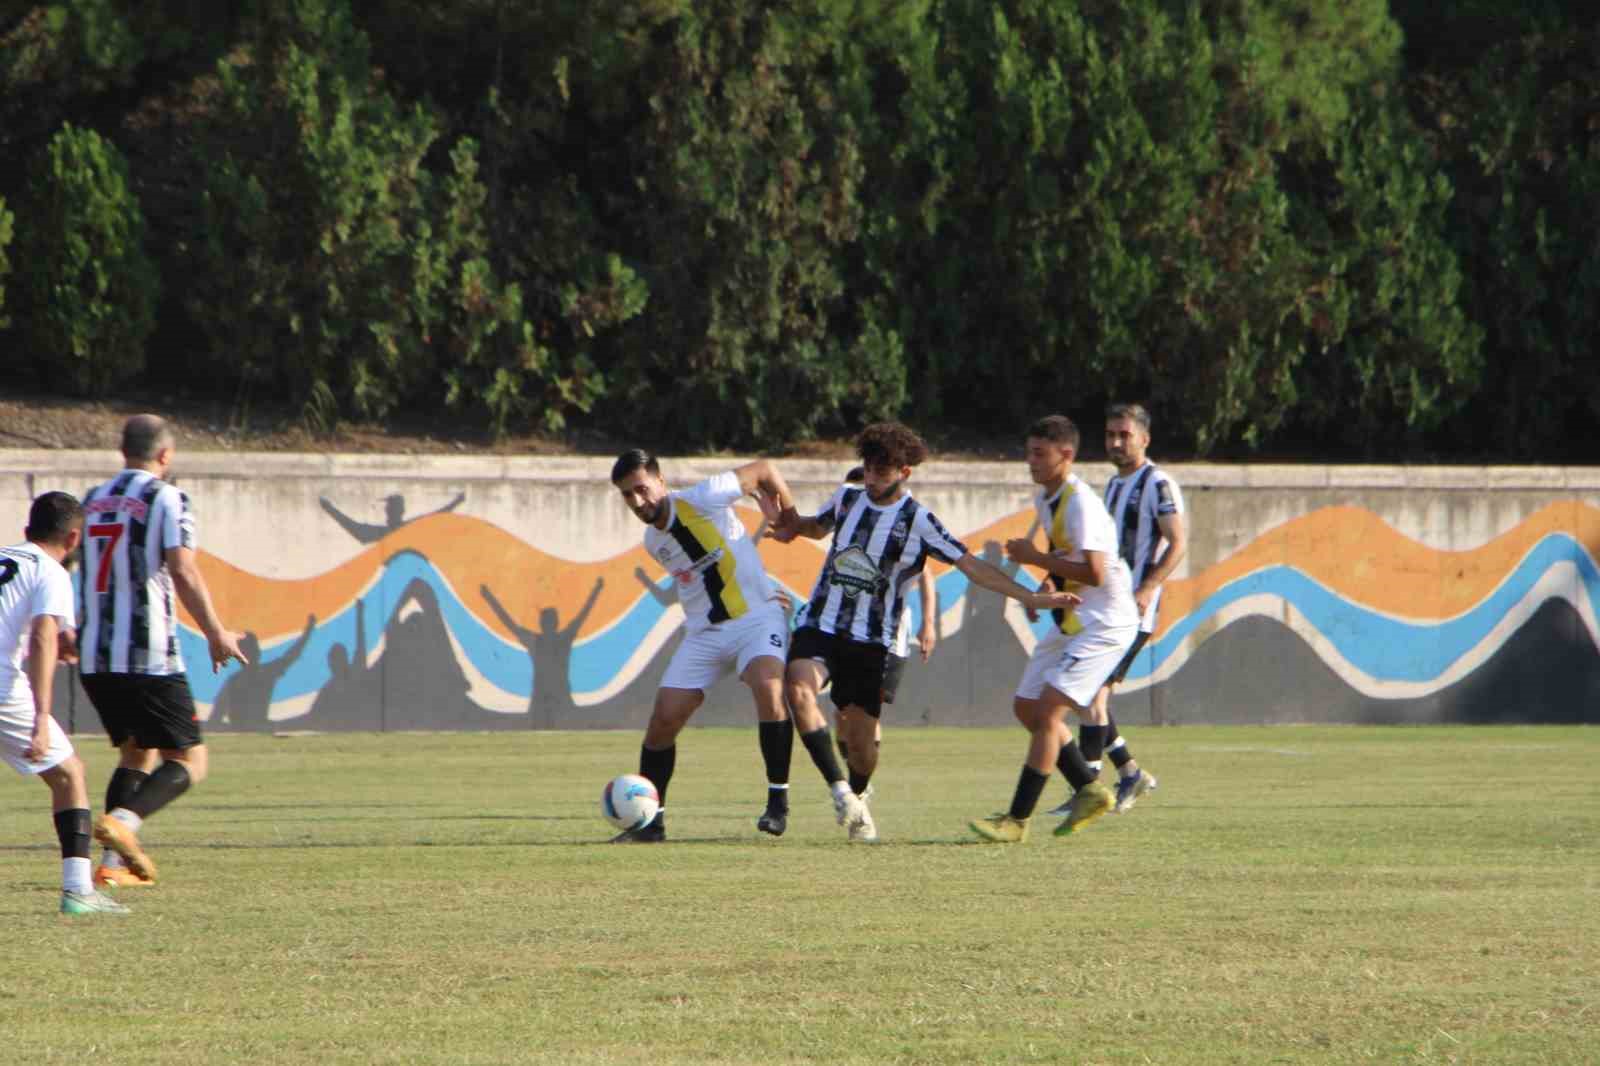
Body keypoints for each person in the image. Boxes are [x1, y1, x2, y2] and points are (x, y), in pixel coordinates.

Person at [771, 422, 1079, 842]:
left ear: (904, 472)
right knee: (798, 687)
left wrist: (1032, 597)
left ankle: (858, 794)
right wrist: (793, 526)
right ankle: (839, 790)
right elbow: (816, 526)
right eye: (869, 466)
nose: (874, 476)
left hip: (873, 642)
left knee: (862, 748)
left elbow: (972, 566)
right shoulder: (847, 499)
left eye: (883, 469)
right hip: (822, 623)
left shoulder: (919, 521)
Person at [79, 414, 247, 886]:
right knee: (190, 760)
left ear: (123, 450)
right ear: (166, 455)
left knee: (136, 753)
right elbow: (184, 570)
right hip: (148, 654)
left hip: (97, 655)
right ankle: (122, 824)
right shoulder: (167, 498)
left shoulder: (91, 501)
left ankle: (111, 870)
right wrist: (215, 631)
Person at [609, 450, 803, 842]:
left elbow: (764, 469)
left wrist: (791, 517)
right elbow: (709, 575)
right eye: (628, 495)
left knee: (769, 687)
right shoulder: (653, 542)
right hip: (706, 634)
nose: (638, 501)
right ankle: (650, 824)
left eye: (642, 489)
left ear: (661, 482)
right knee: (663, 719)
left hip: (756, 620)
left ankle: (777, 803)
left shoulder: (702, 497)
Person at [970, 414, 1139, 843]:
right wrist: (1044, 588)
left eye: (1039, 453)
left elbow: (1097, 573)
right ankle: (1089, 789)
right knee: (1027, 708)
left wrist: (1035, 559)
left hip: (1104, 623)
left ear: (1067, 454)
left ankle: (1016, 820)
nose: (1031, 461)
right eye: (1028, 452)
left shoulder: (1081, 501)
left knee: (1047, 712)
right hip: (1072, 616)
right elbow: (1070, 557)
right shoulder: (1049, 499)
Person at [1047, 402, 1185, 816]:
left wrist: (1148, 587)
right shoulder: (1112, 486)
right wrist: (1055, 578)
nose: (1116, 442)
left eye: (1124, 435)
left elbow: (1177, 542)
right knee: (1092, 697)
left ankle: (1087, 788)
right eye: (1110, 435)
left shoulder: (1158, 483)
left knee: (1092, 695)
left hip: (1133, 610)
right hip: (1105, 607)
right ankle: (1127, 774)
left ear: (1145, 438)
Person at [1, 492, 128, 915]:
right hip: (3, 686)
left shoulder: (7, 558)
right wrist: (40, 717)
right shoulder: (51, 572)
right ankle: (78, 891)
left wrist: (65, 635)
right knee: (69, 773)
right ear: (74, 538)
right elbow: (41, 637)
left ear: (27, 530)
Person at [814, 468, 937, 772]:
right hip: (842, 631)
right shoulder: (847, 532)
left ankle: (859, 787)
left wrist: (929, 622)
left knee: (868, 712)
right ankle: (853, 775)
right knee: (841, 713)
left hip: (887, 634)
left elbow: (926, 574)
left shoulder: (905, 524)